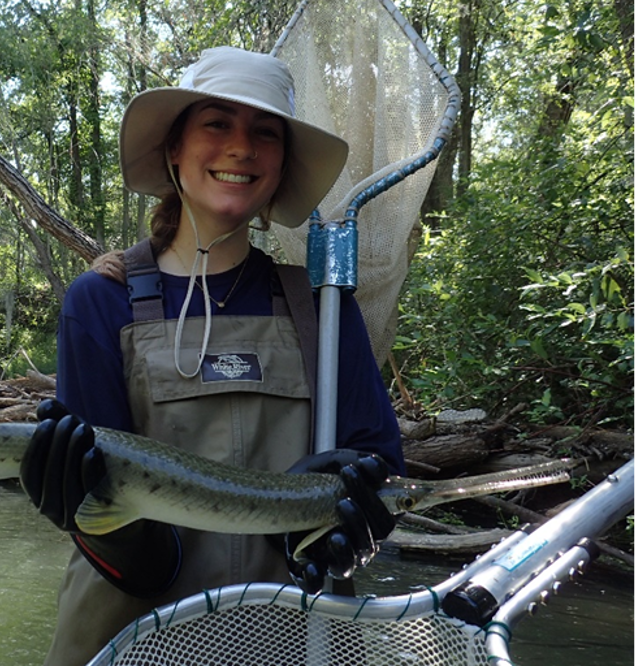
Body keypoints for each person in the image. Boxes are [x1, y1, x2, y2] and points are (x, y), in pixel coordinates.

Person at [22, 47, 404, 664]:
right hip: (129, 640)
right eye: (217, 124)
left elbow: (379, 466)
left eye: (265, 133)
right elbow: (102, 506)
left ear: (282, 165)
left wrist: (350, 531)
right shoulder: (99, 301)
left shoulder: (323, 309)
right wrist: (96, 523)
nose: (241, 147)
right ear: (175, 148)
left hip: (296, 639)